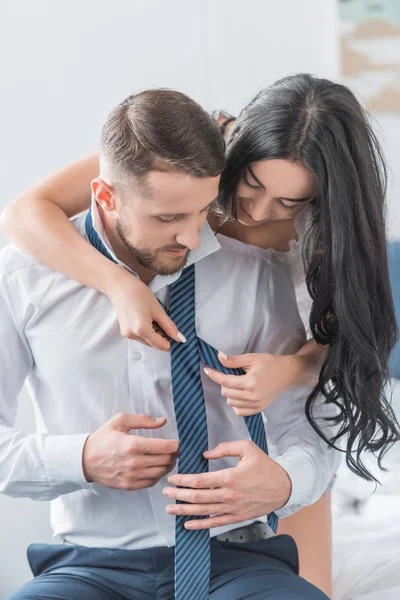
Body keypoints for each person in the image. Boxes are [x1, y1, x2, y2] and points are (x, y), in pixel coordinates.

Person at [3, 74, 398, 598]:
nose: (253, 213)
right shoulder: (186, 152)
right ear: (234, 155)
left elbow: (339, 350)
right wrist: (117, 284)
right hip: (96, 552)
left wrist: (290, 372)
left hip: (242, 534)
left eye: (287, 202)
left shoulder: (306, 251)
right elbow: (28, 210)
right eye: (250, 186)